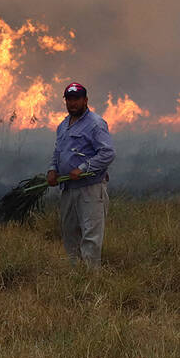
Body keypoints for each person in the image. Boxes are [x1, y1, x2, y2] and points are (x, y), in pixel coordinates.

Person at [46, 83, 113, 267]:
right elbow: (57, 151)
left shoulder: (96, 124)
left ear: (85, 100)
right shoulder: (62, 126)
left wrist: (83, 168)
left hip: (90, 189)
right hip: (68, 189)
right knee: (70, 235)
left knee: (90, 236)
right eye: (69, 99)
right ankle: (75, 277)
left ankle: (91, 281)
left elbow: (107, 153)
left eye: (76, 99)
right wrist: (52, 169)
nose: (72, 103)